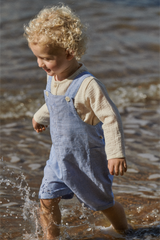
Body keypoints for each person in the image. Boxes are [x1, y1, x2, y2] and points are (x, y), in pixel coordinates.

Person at [24, 4, 129, 239]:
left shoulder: (88, 85)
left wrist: (115, 154)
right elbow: (54, 101)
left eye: (46, 58)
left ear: (69, 53)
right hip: (59, 156)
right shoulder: (53, 76)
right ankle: (52, 238)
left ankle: (125, 231)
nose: (40, 64)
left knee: (103, 203)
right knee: (47, 198)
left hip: (86, 158)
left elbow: (110, 118)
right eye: (37, 57)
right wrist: (41, 116)